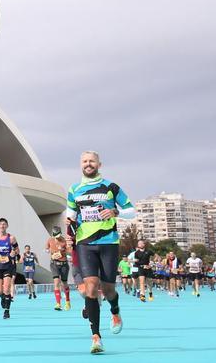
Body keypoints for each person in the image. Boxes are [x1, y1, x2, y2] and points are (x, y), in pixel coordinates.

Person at [64, 151, 135, 355]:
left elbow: (132, 210)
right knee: (91, 287)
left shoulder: (111, 186)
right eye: (85, 161)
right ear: (81, 165)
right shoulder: (74, 189)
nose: (88, 164)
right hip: (85, 243)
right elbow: (70, 217)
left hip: (108, 242)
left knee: (109, 288)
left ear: (99, 164)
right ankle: (96, 337)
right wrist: (69, 234)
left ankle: (115, 311)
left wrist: (115, 211)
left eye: (91, 161)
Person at [0, 218, 18, 319]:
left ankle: (7, 311)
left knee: (6, 289)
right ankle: (2, 298)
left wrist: (14, 253)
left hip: (7, 266)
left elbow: (17, 249)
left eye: (4, 224)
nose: (2, 226)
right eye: (1, 224)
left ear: (7, 226)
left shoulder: (11, 238)